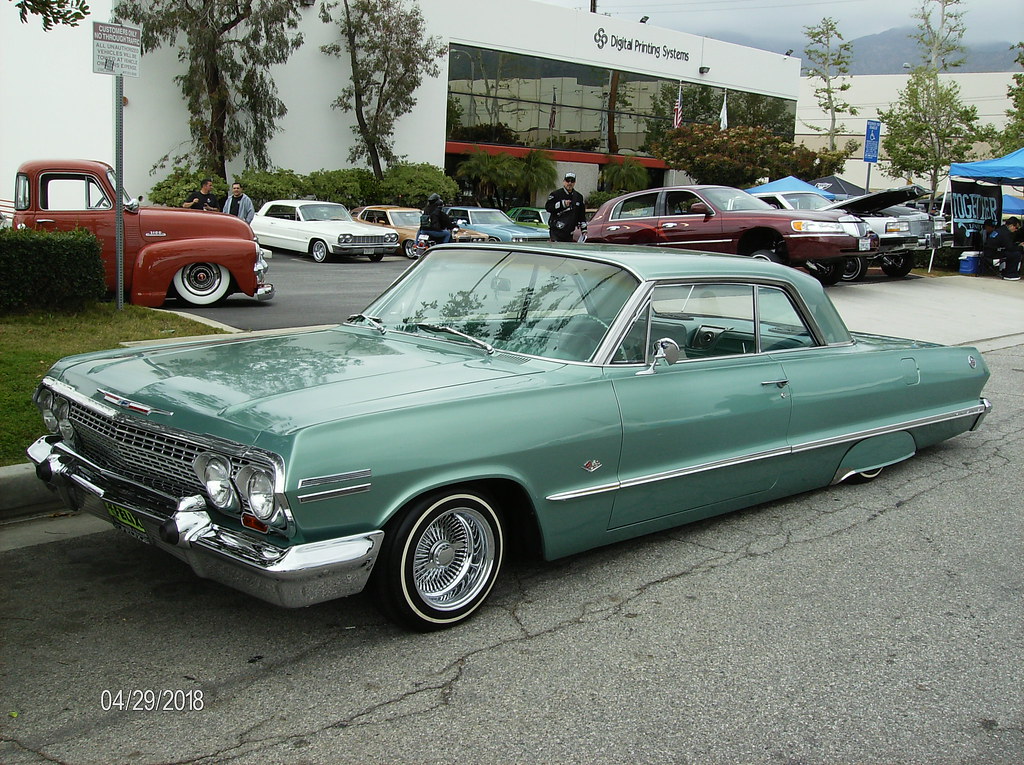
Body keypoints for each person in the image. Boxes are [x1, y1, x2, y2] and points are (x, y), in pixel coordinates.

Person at [545, 172, 587, 242]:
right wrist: (562, 204)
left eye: (572, 181)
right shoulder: (556, 194)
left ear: (574, 183)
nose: (569, 183)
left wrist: (584, 229)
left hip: (569, 232)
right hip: (556, 231)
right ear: (564, 181)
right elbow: (548, 207)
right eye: (567, 181)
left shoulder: (578, 197)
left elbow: (581, 215)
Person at [981, 216, 1022, 281]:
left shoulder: (1001, 230)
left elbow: (1006, 245)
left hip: (989, 252)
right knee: (1015, 254)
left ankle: (1006, 271)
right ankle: (1010, 274)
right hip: (993, 254)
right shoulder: (1006, 233)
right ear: (1011, 225)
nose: (1016, 230)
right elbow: (1010, 248)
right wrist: (1020, 247)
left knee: (1011, 252)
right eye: (1016, 228)